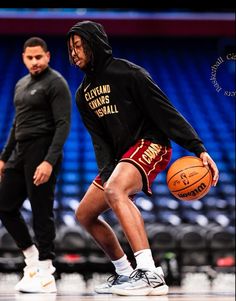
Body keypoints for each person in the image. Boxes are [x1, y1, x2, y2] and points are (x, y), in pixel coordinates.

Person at [67, 21, 219, 296]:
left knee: (115, 190)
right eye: (71, 48)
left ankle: (149, 273)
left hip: (152, 143)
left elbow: (165, 111)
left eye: (78, 46)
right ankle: (125, 273)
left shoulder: (127, 72)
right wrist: (112, 173)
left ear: (94, 44)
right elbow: (100, 142)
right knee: (85, 214)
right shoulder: (82, 94)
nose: (74, 53)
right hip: (120, 156)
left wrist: (198, 148)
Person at [0, 37, 71, 293]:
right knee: (4, 205)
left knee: (41, 209)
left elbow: (63, 124)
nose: (34, 62)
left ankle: (46, 270)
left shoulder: (56, 83)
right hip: (20, 151)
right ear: (23, 58)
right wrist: (4, 157)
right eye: (29, 58)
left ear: (48, 56)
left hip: (43, 149)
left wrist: (49, 161)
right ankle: (31, 259)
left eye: (38, 57)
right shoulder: (21, 84)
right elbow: (16, 125)